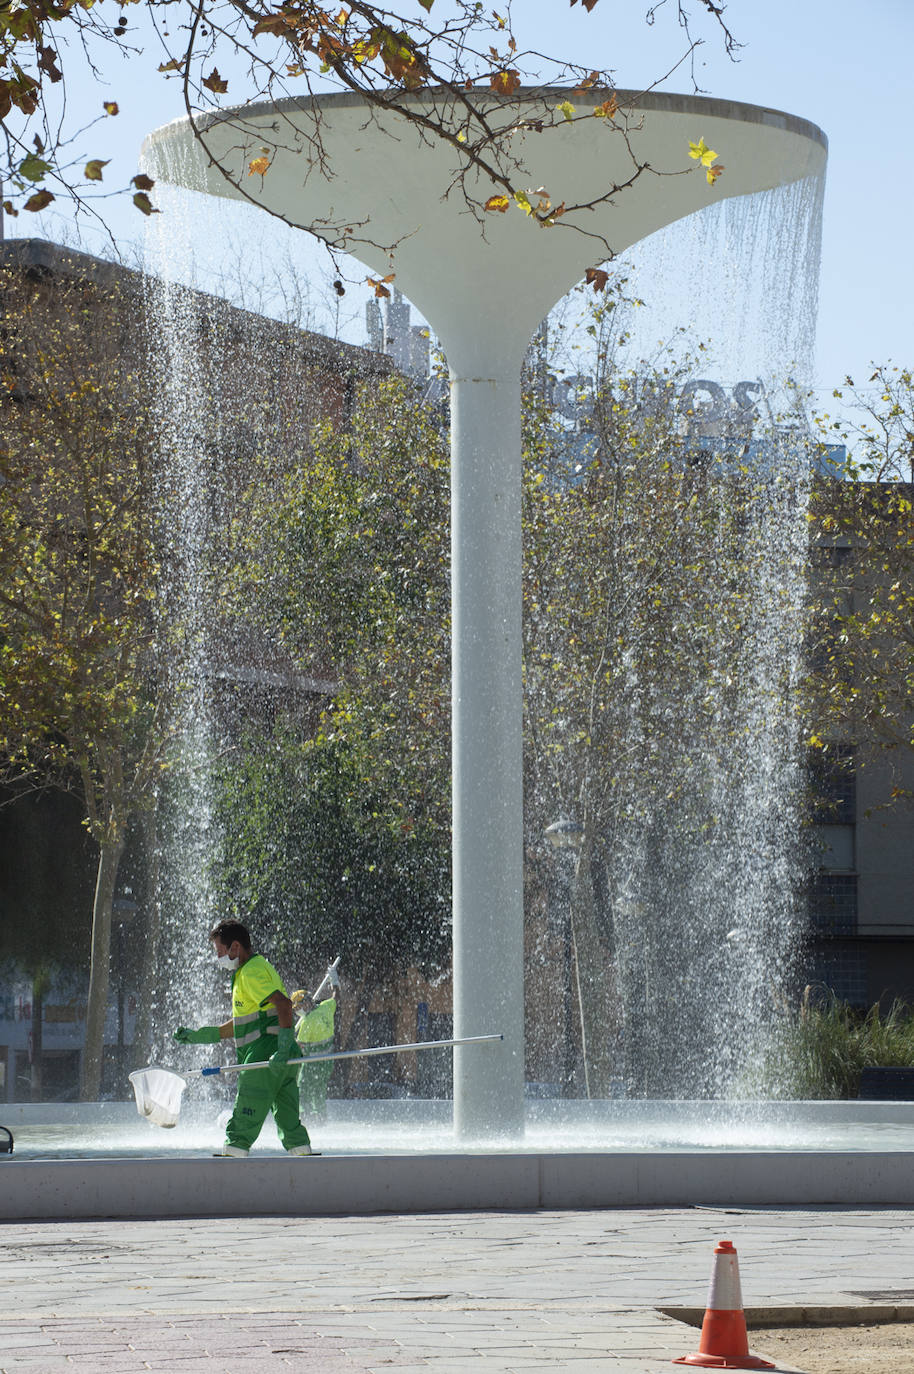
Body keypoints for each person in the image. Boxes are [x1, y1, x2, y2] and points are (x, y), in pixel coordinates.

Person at [173, 920, 313, 1158]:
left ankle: (230, 1163)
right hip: (282, 1058)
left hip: (264, 1056)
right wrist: (204, 1035)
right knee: (289, 1120)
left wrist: (281, 1046)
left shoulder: (250, 973)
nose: (218, 958)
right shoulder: (255, 968)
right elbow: (247, 1022)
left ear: (235, 947)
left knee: (244, 1115)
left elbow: (284, 1004)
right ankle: (307, 1165)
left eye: (220, 952)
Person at [291, 960, 340, 1118]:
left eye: (297, 1008)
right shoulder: (326, 1007)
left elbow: (298, 1046)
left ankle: (306, 1117)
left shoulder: (307, 1023)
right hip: (327, 1063)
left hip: (312, 1063)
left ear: (304, 1005)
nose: (297, 1012)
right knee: (319, 1091)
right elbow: (336, 996)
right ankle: (321, 1117)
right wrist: (335, 980)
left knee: (303, 1089)